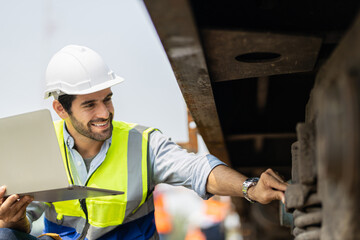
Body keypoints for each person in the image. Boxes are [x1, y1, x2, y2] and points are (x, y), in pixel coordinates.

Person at [0, 45, 288, 240]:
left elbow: (199, 170)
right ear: (61, 110)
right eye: (90, 105)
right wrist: (12, 219)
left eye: (108, 99)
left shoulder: (143, 143)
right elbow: (23, 223)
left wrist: (249, 188)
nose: (105, 113)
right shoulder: (41, 147)